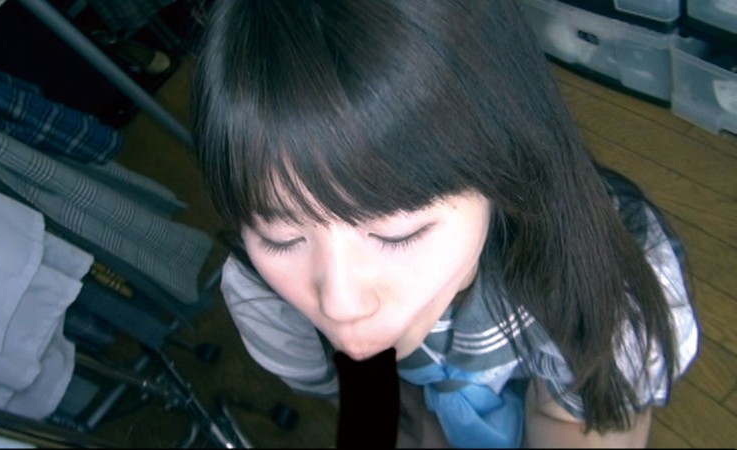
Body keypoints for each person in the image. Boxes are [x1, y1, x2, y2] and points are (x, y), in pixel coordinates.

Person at [190, 0, 699, 447]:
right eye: (281, 240)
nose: (340, 305)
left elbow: (590, 415)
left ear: (506, 155)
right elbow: (362, 400)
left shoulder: (606, 279)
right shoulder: (265, 301)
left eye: (398, 234)